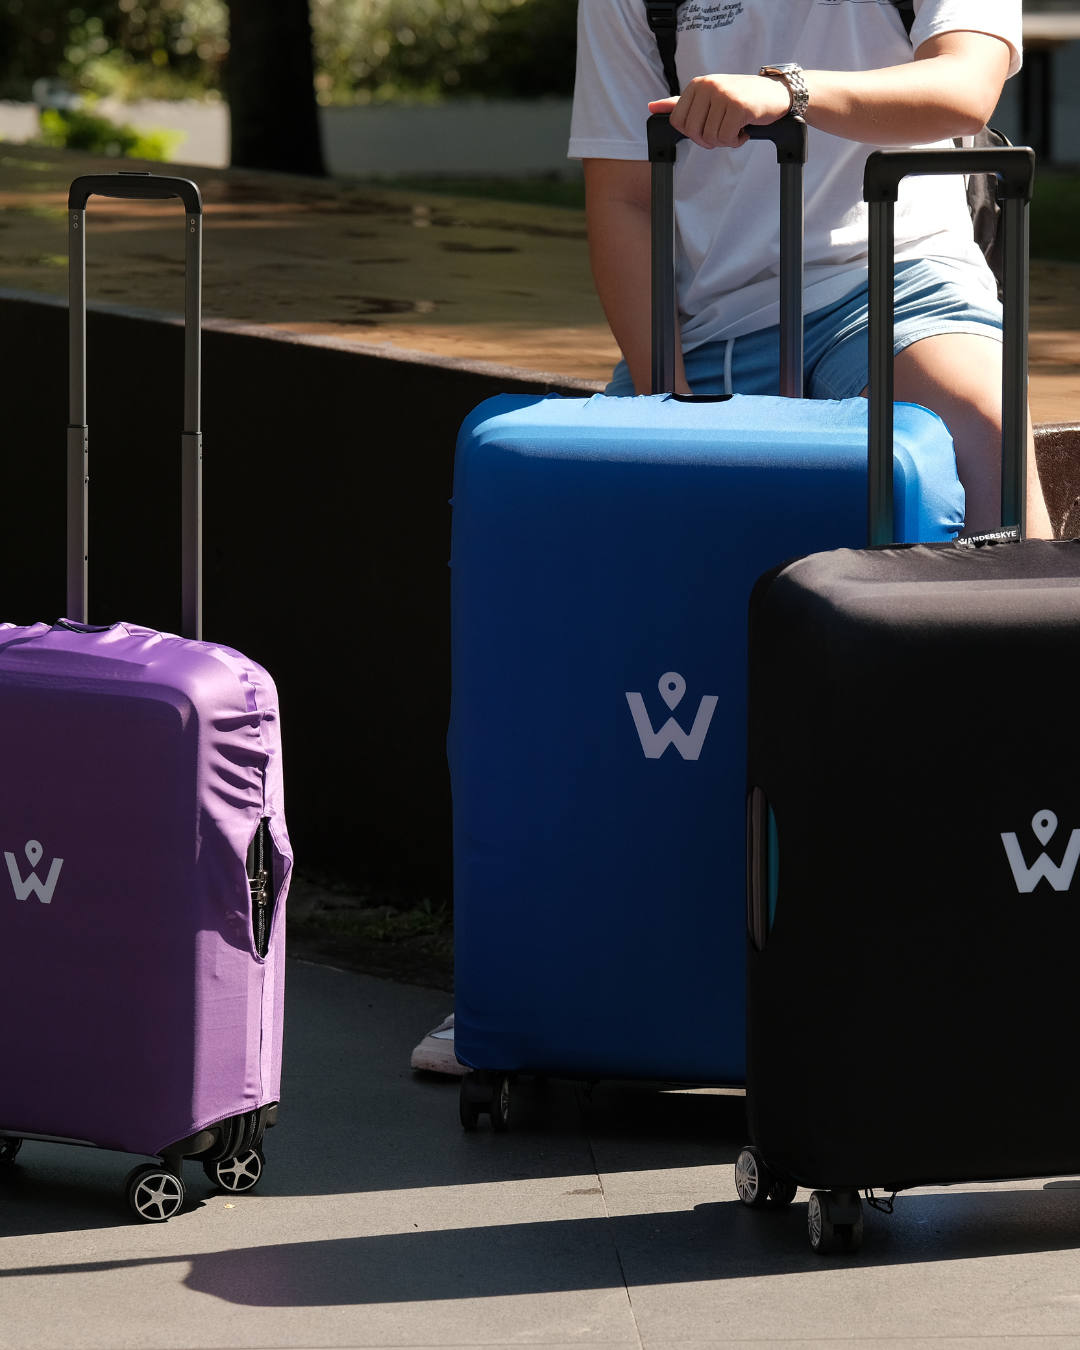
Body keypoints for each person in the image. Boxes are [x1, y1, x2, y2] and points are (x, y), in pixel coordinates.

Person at [569, 0, 1052, 538]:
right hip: (707, 325)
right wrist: (665, 394)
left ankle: (1020, 593)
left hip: (896, 281)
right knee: (606, 525)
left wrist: (792, 91)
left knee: (986, 425)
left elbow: (964, 87)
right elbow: (624, 197)